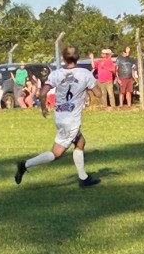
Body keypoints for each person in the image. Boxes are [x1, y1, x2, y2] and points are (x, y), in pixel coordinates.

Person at [14, 47, 100, 188]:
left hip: (59, 117)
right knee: (56, 153)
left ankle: (83, 178)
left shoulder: (56, 74)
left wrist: (43, 108)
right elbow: (98, 94)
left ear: (63, 58)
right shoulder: (85, 74)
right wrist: (88, 87)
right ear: (78, 58)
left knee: (80, 142)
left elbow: (43, 93)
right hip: (71, 121)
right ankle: (25, 164)